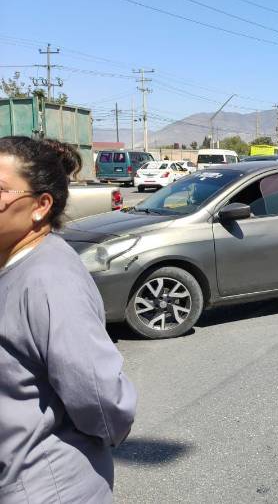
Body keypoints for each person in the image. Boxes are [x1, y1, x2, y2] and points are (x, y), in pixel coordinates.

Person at [0, 137, 137, 502]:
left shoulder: (50, 279)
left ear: (40, 206)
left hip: (48, 486)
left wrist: (107, 435)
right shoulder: (11, 262)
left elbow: (99, 395)